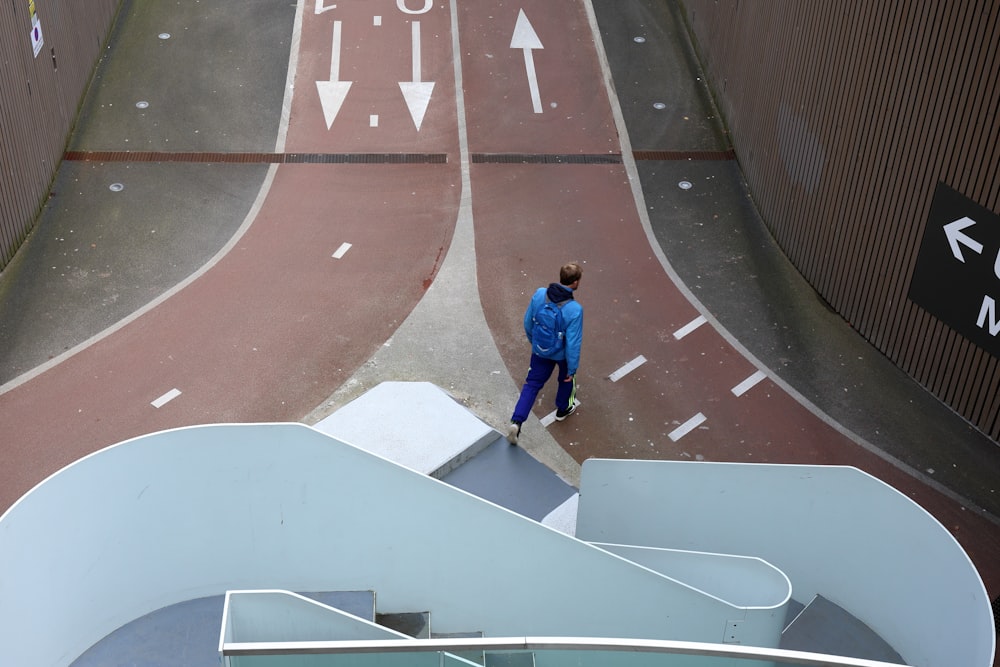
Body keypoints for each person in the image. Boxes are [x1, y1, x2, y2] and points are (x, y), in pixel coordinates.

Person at [507, 262, 583, 445]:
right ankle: (563, 409)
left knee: (531, 384)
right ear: (575, 283)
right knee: (566, 379)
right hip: (561, 354)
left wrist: (536, 343)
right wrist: (572, 369)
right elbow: (573, 343)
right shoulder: (574, 310)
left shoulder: (540, 294)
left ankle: (516, 421)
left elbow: (528, 322)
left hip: (540, 349)